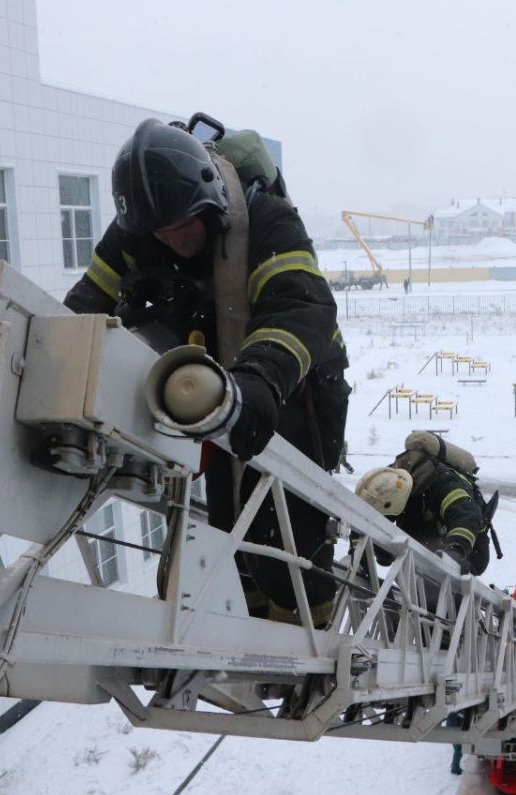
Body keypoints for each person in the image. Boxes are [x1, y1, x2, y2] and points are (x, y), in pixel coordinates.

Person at [64, 118, 349, 625]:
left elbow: (299, 308)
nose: (172, 239)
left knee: (288, 525)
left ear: (211, 200)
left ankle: (311, 628)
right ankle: (254, 622)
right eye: (160, 232)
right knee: (229, 515)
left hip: (295, 381)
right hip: (214, 382)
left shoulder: (269, 221)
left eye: (183, 225)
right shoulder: (139, 230)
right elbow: (85, 306)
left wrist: (260, 381)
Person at [354, 434, 492, 576]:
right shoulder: (390, 481)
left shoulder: (445, 483)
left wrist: (457, 549)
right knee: (413, 573)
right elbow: (368, 517)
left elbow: (466, 517)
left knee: (452, 578)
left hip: (470, 545)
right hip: (421, 532)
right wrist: (362, 553)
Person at [446, 711, 464, 776]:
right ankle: (455, 769)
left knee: (458, 751)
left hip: (452, 733)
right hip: (455, 734)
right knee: (458, 751)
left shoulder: (453, 712)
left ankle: (454, 765)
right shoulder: (458, 715)